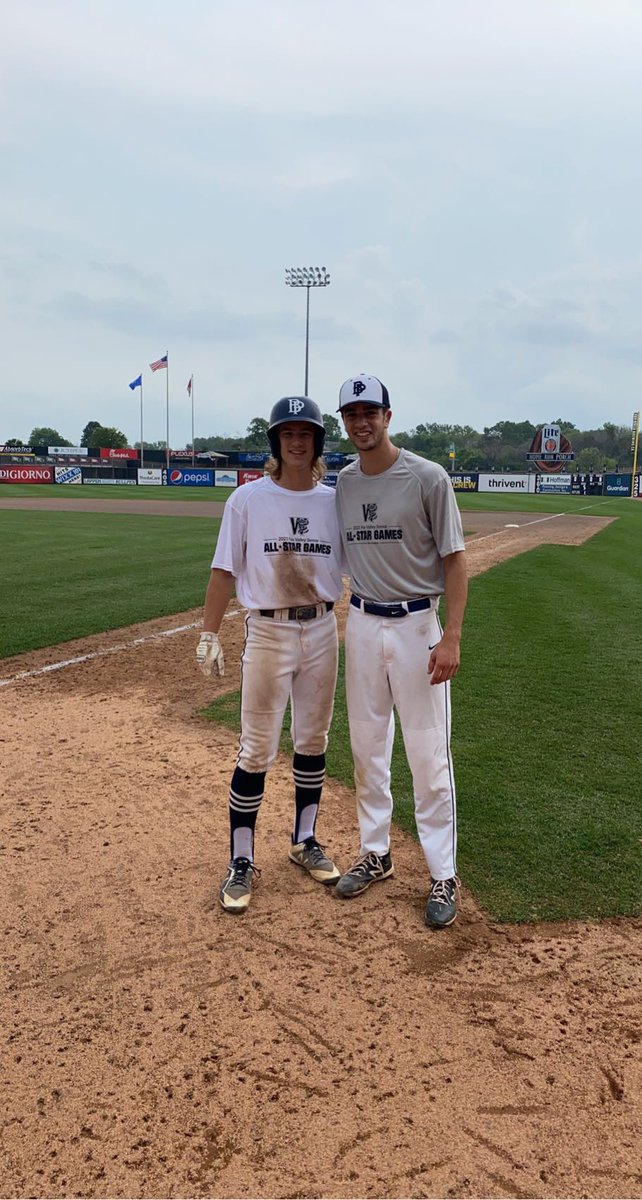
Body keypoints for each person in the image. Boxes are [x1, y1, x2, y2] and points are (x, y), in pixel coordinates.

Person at [196, 396, 344, 914]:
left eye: (305, 434)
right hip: (268, 631)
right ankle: (241, 859)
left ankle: (305, 841)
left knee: (313, 740)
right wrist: (209, 633)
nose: (296, 442)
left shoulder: (333, 502)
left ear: (317, 442)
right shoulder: (248, 500)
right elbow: (224, 570)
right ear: (276, 443)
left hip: (321, 628)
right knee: (257, 750)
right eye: (288, 434)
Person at [333, 374, 468, 929]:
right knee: (367, 748)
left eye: (370, 412)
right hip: (363, 624)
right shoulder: (344, 483)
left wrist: (451, 635)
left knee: (429, 755)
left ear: (388, 416)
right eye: (351, 414)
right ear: (344, 422)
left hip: (417, 627)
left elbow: (455, 560)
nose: (361, 422)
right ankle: (376, 853)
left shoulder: (427, 477)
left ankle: (443, 873)